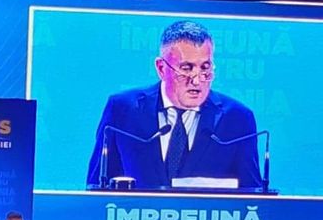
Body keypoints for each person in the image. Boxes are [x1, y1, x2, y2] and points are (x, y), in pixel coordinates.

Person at [86, 20, 261, 189]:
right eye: (186, 69)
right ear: (161, 68)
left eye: (205, 68)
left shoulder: (237, 118)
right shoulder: (122, 109)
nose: (197, 80)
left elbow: (253, 196)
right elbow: (96, 187)